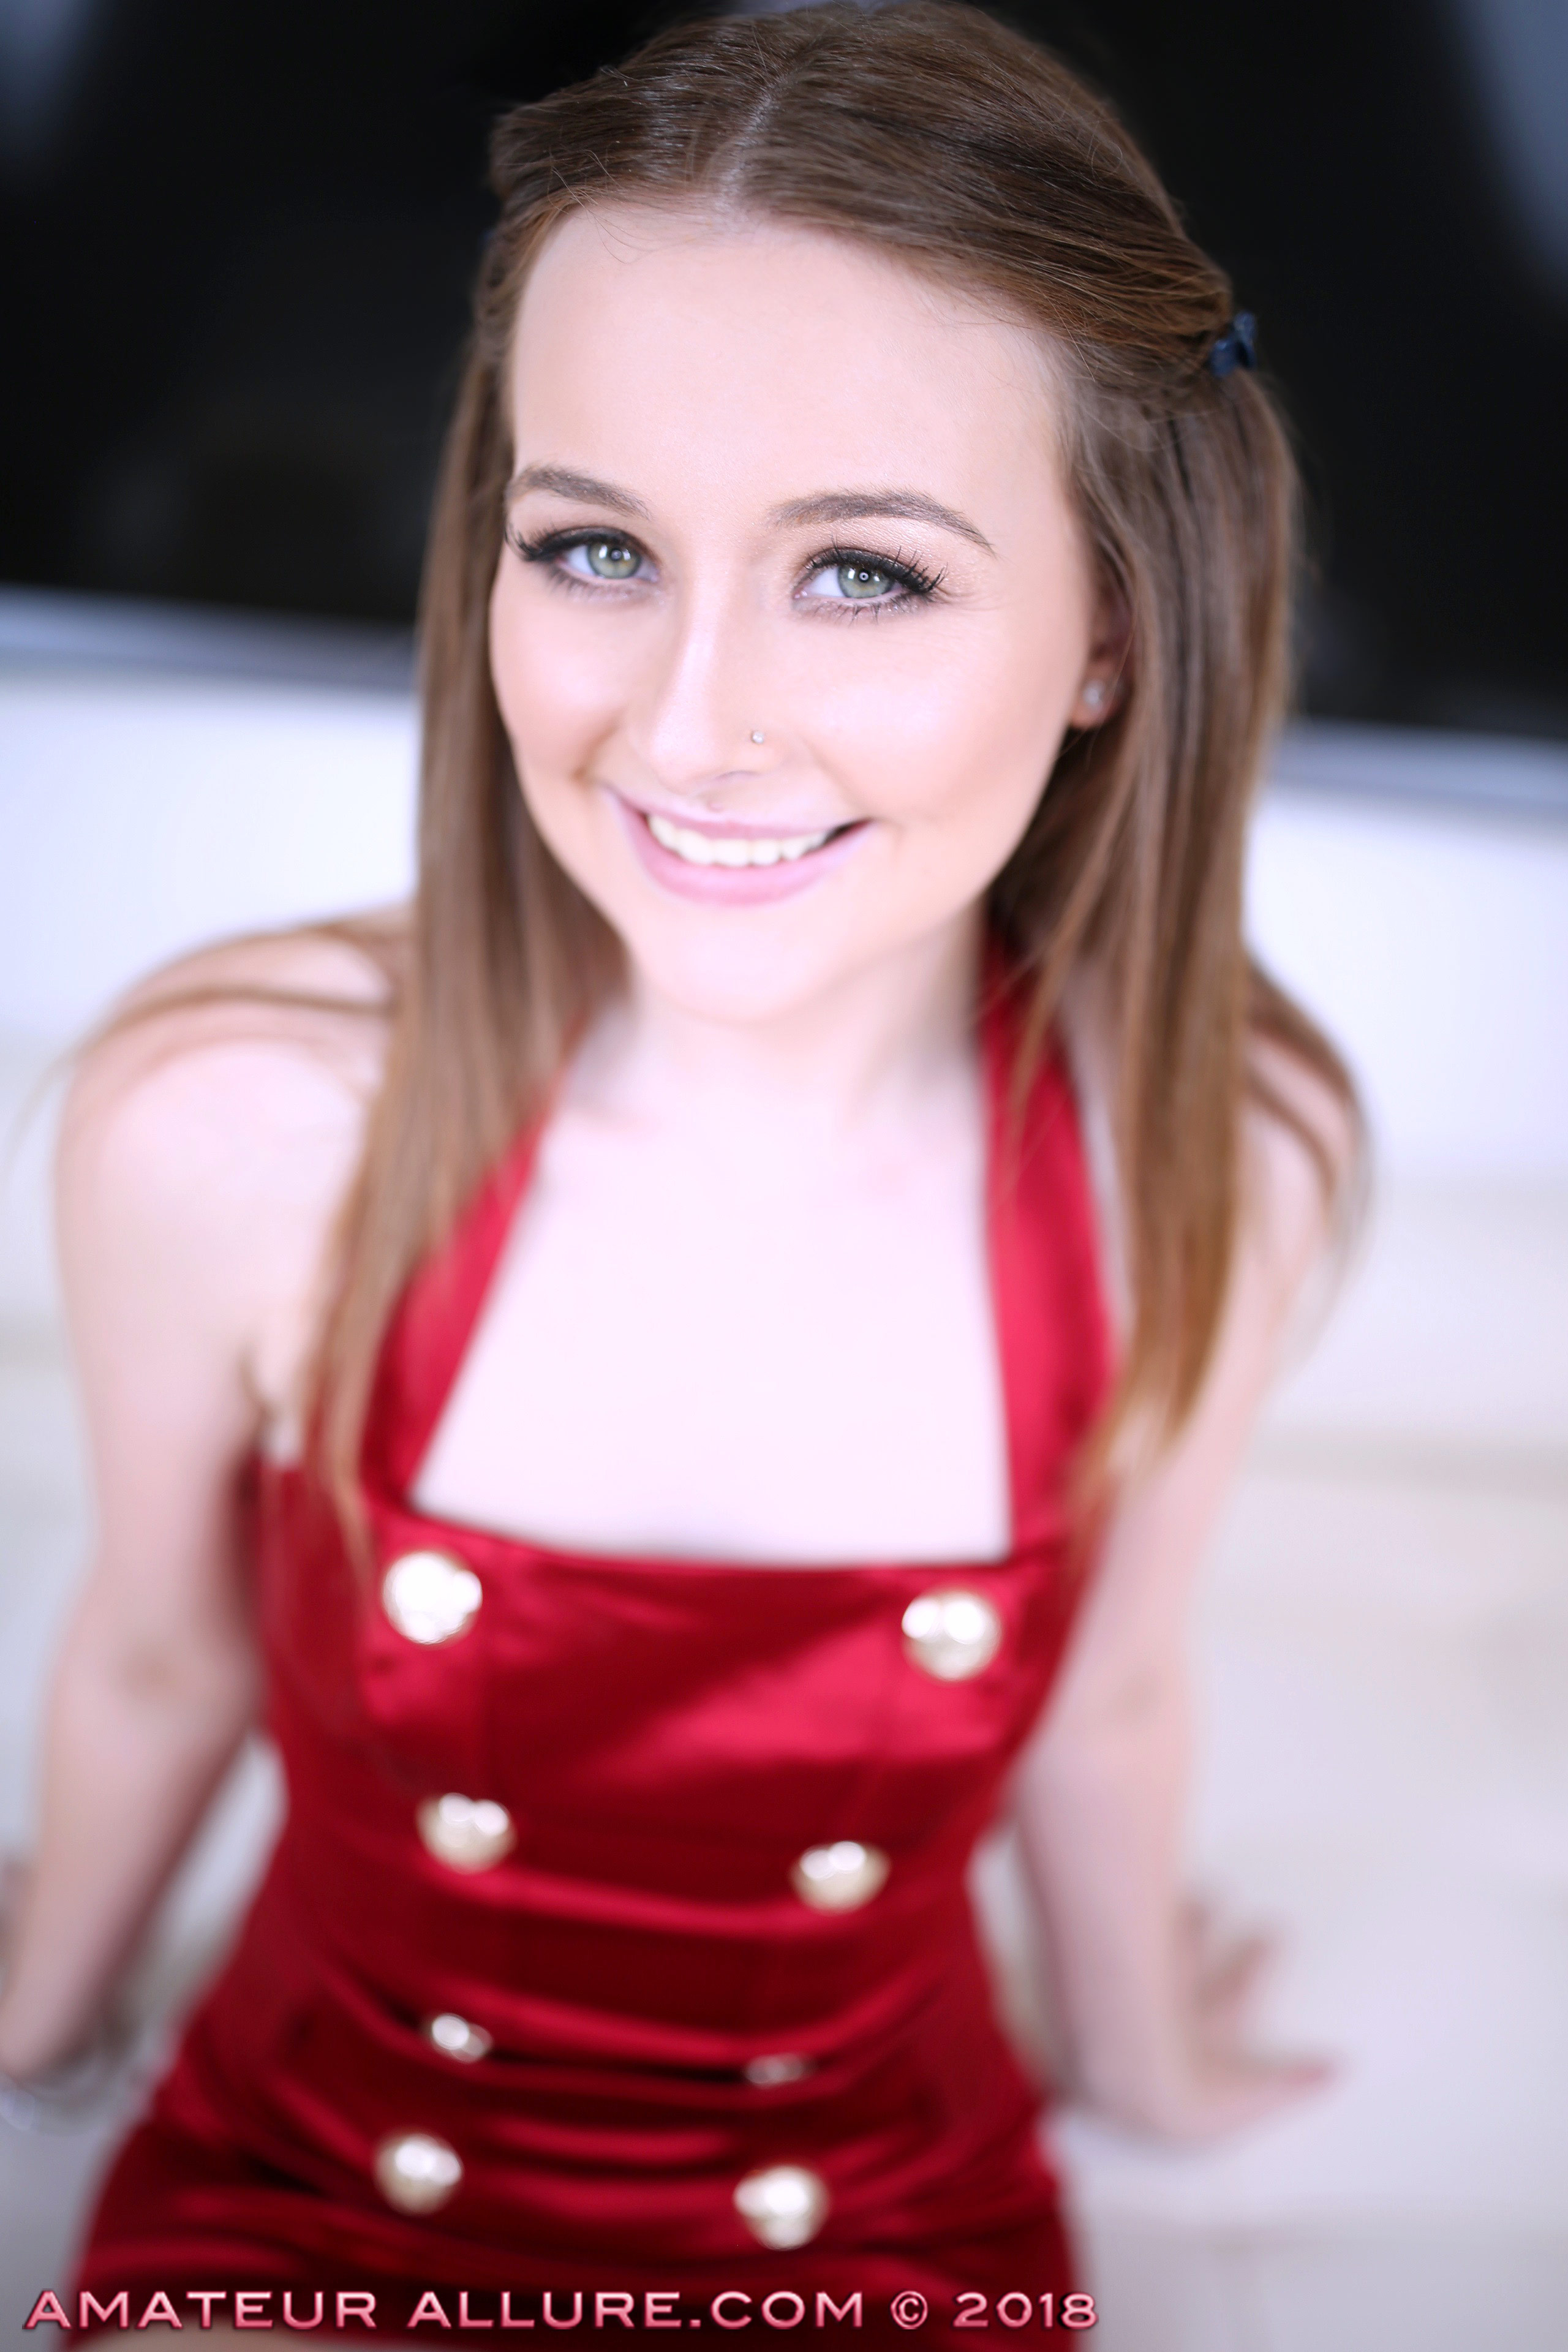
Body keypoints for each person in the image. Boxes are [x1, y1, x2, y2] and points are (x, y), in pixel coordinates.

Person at [0, 2, 1360, 2339]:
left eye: (866, 576)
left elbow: (1113, 1695)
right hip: (305, 2196)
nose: (687, 723)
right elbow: (159, 1645)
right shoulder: (232, 1131)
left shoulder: (1207, 1157)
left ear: (1112, 629)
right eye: (598, 545)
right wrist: (38, 2022)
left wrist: (1145, 2059)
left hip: (879, 2230)